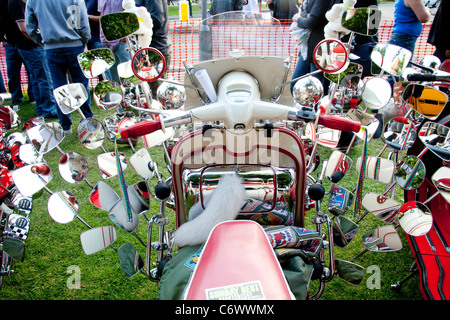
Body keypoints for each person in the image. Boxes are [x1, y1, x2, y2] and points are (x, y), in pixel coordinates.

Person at [25, 0, 94, 135]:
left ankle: (66, 125)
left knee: (59, 88)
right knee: (80, 85)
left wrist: (40, 40)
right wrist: (84, 40)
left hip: (51, 47)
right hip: (74, 45)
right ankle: (88, 121)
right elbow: (83, 23)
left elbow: (30, 26)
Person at [8, 0, 58, 119]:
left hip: (27, 46)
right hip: (31, 46)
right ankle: (49, 110)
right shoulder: (17, 2)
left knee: (37, 79)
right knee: (45, 79)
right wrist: (40, 42)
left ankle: (41, 108)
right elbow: (24, 28)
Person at [290, 0, 332, 93]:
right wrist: (304, 17)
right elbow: (306, 16)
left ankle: (314, 107)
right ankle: (301, 106)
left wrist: (299, 18)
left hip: (319, 48)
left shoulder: (322, 2)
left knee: (315, 87)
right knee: (295, 84)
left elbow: (311, 22)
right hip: (307, 46)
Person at [135, 0, 173, 96]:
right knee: (148, 94)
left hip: (156, 50)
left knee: (158, 95)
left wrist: (133, 23)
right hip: (147, 50)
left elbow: (157, 19)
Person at [98, 0, 131, 84]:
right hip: (106, 41)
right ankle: (120, 96)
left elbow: (130, 13)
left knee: (129, 74)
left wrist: (124, 38)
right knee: (114, 78)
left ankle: (134, 94)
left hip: (121, 41)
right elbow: (102, 15)